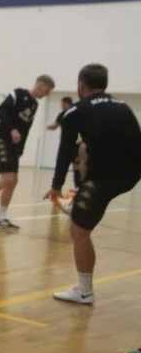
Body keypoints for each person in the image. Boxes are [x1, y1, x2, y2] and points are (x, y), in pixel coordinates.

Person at [43, 64, 141, 304]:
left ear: (81, 85)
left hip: (106, 176)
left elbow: (65, 153)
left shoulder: (76, 111)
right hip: (131, 172)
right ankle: (80, 196)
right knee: (85, 148)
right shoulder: (122, 105)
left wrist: (56, 186)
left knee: (79, 229)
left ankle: (84, 290)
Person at [0, 75, 54, 229]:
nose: (47, 95)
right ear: (40, 85)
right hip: (2, 139)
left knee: (14, 180)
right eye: (47, 91)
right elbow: (1, 111)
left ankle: (1, 217)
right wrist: (12, 129)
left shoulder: (34, 105)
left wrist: (21, 148)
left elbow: (26, 128)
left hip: (14, 145)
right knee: (7, 178)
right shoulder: (18, 94)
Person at [47, 96, 82, 189]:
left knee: (76, 167)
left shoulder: (75, 113)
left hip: (76, 145)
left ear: (66, 103)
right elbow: (56, 125)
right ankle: (57, 188)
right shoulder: (61, 114)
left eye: (62, 103)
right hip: (65, 143)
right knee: (61, 164)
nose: (61, 106)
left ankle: (78, 187)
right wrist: (50, 127)